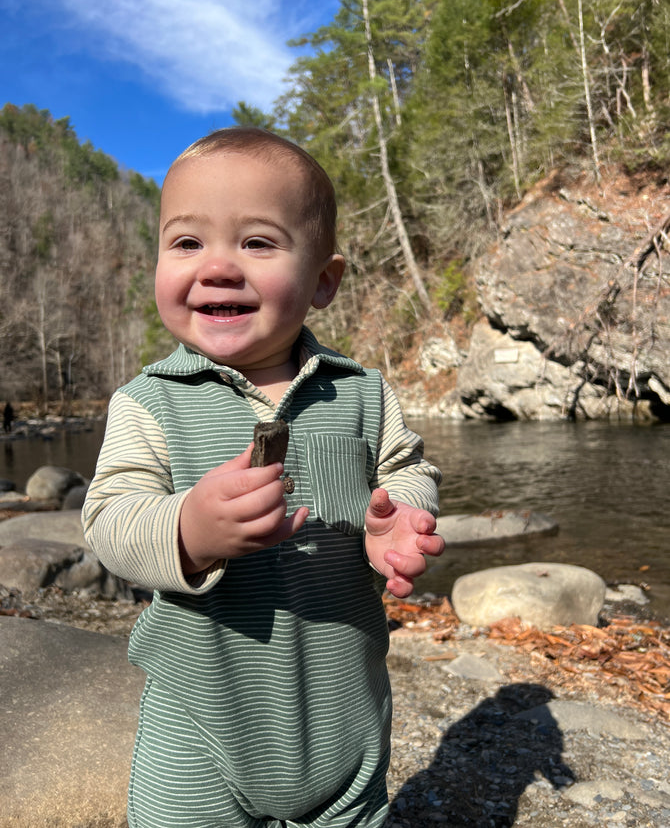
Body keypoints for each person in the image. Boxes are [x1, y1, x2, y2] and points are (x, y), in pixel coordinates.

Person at [83, 127, 444, 828]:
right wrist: (186, 527)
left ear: (323, 280)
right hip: (200, 718)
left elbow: (407, 469)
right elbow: (109, 519)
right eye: (187, 242)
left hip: (343, 714)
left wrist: (400, 515)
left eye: (256, 242)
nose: (217, 266)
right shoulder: (148, 400)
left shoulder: (362, 392)